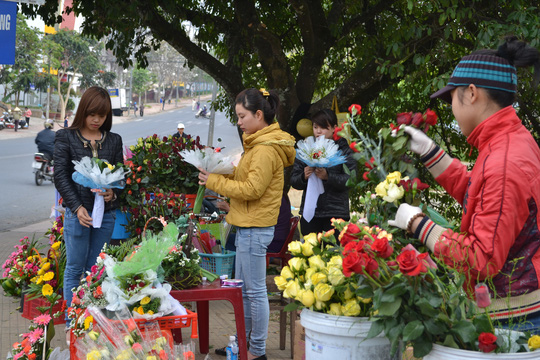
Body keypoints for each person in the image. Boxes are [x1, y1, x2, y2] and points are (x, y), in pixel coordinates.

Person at [388, 36, 540, 334]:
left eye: (452, 99)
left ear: (471, 94)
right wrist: (432, 154)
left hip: (514, 320)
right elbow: (482, 195)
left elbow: (480, 259)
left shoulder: (505, 161)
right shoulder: (508, 143)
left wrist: (419, 225)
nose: (452, 109)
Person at [198, 88, 296, 360]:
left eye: (242, 116)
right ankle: (244, 344)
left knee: (255, 293)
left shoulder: (265, 150)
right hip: (246, 225)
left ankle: (257, 351)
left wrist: (213, 182)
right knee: (242, 292)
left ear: (259, 115)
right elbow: (246, 178)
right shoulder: (257, 145)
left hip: (255, 228)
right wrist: (217, 169)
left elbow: (252, 188)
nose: (239, 122)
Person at [53, 86, 124, 324]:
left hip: (106, 216)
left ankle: (92, 322)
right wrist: (76, 208)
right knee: (75, 269)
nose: (96, 120)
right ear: (83, 111)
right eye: (92, 114)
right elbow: (61, 176)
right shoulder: (66, 137)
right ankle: (73, 323)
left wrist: (112, 193)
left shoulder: (114, 140)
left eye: (102, 115)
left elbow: (121, 177)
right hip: (78, 214)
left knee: (95, 271)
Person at [291, 109, 357, 236]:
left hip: (336, 214)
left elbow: (351, 180)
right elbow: (294, 181)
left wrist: (328, 176)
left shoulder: (344, 150)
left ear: (334, 128)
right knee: (308, 252)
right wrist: (303, 176)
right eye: (315, 127)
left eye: (323, 127)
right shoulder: (306, 149)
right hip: (310, 212)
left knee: (334, 254)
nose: (318, 131)